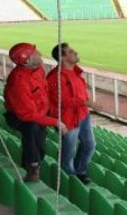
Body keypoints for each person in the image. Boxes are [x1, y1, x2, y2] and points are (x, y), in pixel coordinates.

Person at [3, 43, 68, 182]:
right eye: (35, 53)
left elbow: (44, 93)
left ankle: (32, 164)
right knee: (31, 128)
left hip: (38, 113)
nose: (39, 53)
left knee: (40, 144)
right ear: (27, 61)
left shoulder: (38, 69)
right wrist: (56, 122)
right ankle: (32, 167)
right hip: (19, 116)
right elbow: (28, 115)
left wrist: (52, 112)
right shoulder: (19, 82)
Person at [47, 43, 102, 184]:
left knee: (89, 145)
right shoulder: (55, 77)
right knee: (68, 151)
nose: (75, 52)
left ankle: (80, 172)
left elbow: (80, 93)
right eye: (71, 51)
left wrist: (86, 102)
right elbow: (62, 100)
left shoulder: (75, 72)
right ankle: (69, 179)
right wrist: (88, 103)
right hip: (67, 119)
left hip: (83, 115)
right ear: (63, 57)